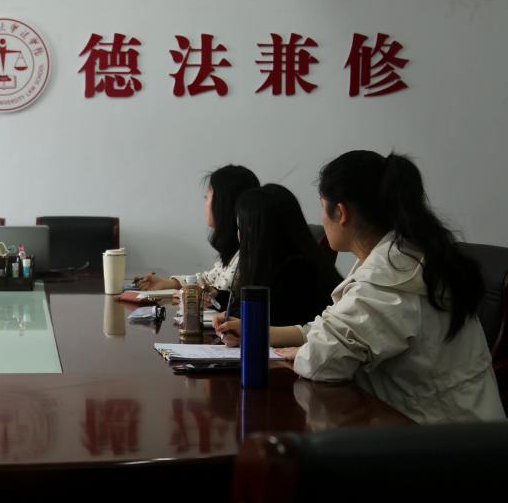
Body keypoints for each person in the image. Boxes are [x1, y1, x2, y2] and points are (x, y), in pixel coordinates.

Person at [214, 151, 505, 423]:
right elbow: (336, 325)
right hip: (446, 427)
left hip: (449, 442)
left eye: (322, 208)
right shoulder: (405, 256)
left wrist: (303, 352)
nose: (322, 220)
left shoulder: (393, 277)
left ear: (341, 212)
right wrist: (257, 333)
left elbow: (321, 362)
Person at [137, 165, 260, 304]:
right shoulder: (232, 251)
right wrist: (169, 283)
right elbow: (207, 280)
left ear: (223, 204)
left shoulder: (245, 255)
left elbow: (217, 292)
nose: (204, 202)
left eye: (206, 197)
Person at [228, 184, 341, 326]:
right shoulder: (283, 263)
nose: (239, 237)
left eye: (242, 228)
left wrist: (231, 318)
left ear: (263, 231)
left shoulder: (297, 273)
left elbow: (266, 320)